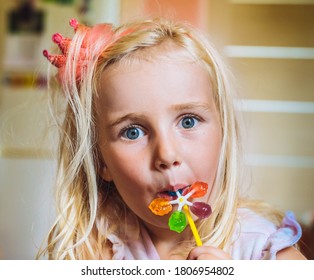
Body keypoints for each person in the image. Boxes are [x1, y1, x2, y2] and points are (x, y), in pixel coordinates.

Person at [38, 17, 306, 260]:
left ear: (223, 133)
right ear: (99, 159)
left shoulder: (266, 250)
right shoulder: (91, 249)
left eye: (188, 121)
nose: (166, 155)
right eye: (133, 132)